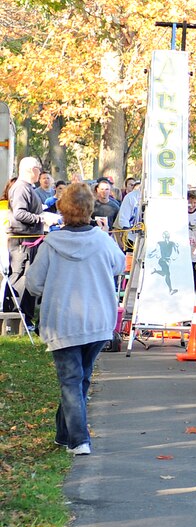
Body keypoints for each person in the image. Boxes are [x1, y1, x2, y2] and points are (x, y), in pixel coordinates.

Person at [26, 182, 125, 455]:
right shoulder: (103, 240)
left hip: (63, 321)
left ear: (62, 208)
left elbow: (33, 284)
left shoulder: (51, 245)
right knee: (80, 378)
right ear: (91, 207)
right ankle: (63, 433)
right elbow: (120, 264)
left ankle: (79, 440)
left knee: (71, 380)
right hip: (98, 321)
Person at [8, 157, 59, 326]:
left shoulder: (28, 188)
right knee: (22, 278)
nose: (41, 172)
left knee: (30, 279)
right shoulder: (21, 188)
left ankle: (26, 318)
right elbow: (19, 214)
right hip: (23, 243)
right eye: (39, 169)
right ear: (31, 170)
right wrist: (41, 219)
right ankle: (18, 318)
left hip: (31, 240)